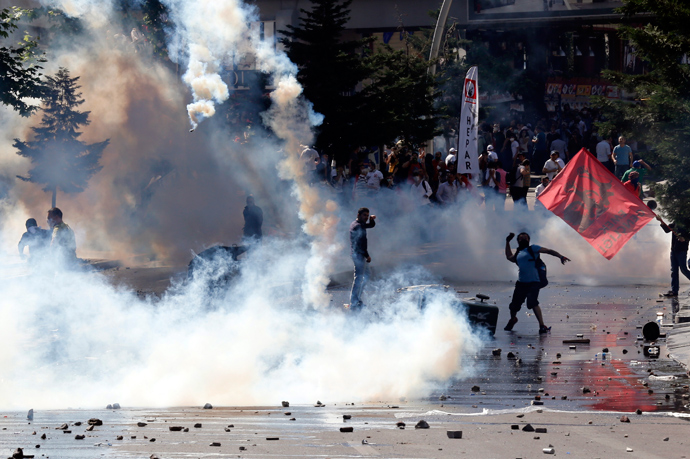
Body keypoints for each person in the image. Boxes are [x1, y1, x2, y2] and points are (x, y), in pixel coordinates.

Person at [504, 232, 570, 333]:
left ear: (528, 240)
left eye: (525, 238)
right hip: (521, 283)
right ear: (518, 241)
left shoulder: (533, 249)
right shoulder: (518, 253)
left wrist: (560, 256)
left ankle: (542, 326)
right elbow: (509, 257)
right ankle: (513, 319)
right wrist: (507, 242)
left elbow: (548, 251)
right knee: (514, 306)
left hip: (534, 282)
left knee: (533, 303)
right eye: (521, 238)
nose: (523, 239)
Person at [348, 208, 376, 311]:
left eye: (367, 216)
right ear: (358, 214)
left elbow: (370, 225)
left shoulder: (358, 223)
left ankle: (356, 299)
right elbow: (361, 245)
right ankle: (354, 302)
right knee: (359, 278)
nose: (366, 218)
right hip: (359, 255)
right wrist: (367, 255)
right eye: (364, 215)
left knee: (366, 275)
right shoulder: (358, 226)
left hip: (359, 255)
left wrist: (372, 220)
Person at [658, 216, 690, 297]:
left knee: (683, 269)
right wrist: (661, 221)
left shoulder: (687, 222)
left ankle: (674, 290)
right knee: (674, 271)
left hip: (682, 250)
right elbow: (667, 229)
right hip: (674, 250)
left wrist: (685, 239)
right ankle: (674, 291)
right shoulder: (676, 221)